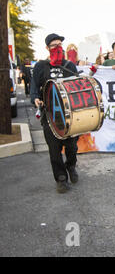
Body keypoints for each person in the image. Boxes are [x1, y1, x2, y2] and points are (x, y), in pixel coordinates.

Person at [30, 33, 79, 194]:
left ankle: (71, 166)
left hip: (69, 115)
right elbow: (34, 89)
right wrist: (36, 99)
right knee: (54, 149)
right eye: (54, 45)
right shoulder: (40, 66)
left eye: (60, 44)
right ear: (47, 48)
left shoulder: (70, 66)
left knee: (72, 146)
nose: (58, 48)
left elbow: (78, 87)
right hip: (49, 115)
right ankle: (61, 179)